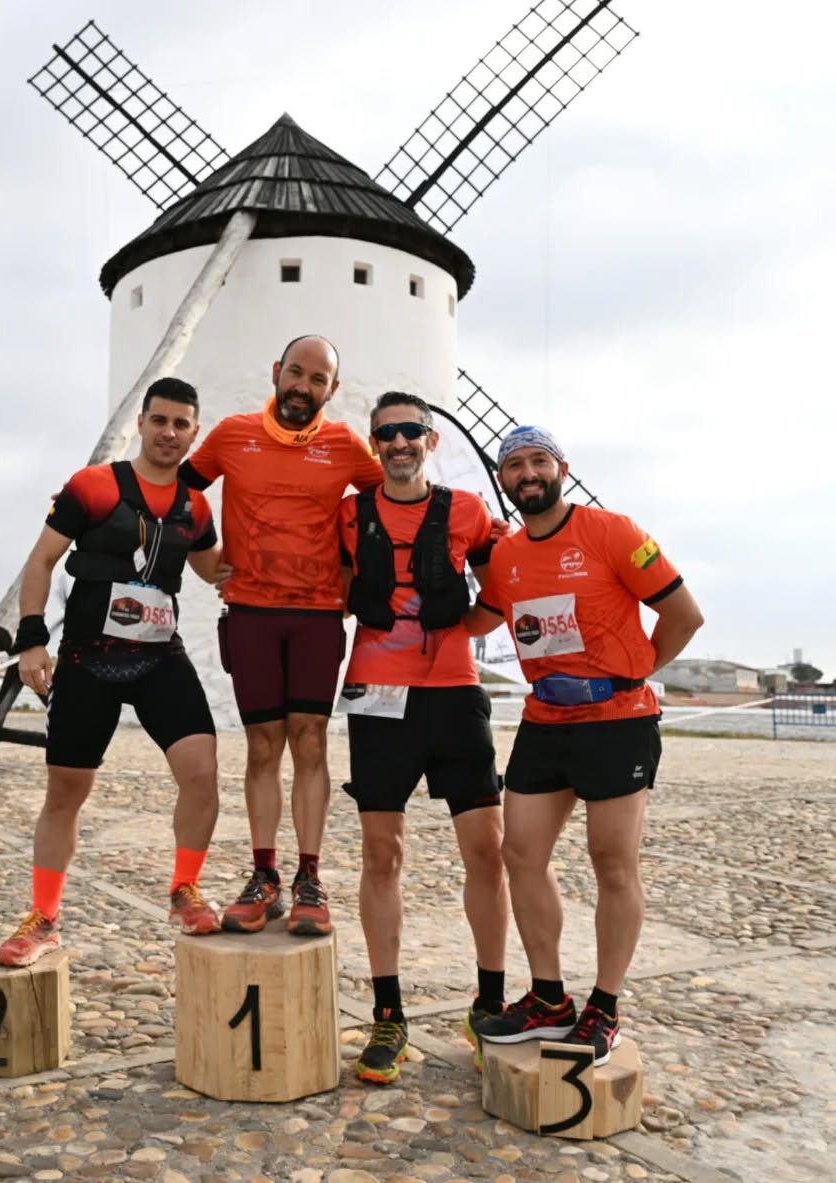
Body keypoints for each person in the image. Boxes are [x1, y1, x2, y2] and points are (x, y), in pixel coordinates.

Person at [465, 425, 703, 1066]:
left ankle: (605, 1005)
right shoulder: (507, 555)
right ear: (505, 480)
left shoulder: (613, 531)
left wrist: (634, 675)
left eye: (538, 460)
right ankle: (547, 998)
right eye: (514, 465)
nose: (527, 473)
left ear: (561, 468)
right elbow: (474, 620)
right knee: (520, 852)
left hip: (618, 721)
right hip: (546, 721)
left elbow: (686, 615)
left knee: (613, 863)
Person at [0, 377, 228, 967]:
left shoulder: (196, 506)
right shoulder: (93, 486)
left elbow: (216, 572)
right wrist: (31, 642)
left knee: (202, 772)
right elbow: (42, 560)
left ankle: (185, 890)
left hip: (158, 657)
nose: (169, 433)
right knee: (66, 795)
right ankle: (44, 918)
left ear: (193, 434)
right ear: (141, 424)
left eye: (181, 424)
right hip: (86, 660)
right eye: (160, 421)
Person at [180, 335, 382, 936]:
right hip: (251, 614)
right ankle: (264, 874)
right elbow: (176, 487)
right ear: (276, 372)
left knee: (311, 742)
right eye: (296, 373)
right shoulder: (233, 433)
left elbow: (388, 504)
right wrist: (206, 557)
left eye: (318, 380)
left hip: (319, 616)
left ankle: (309, 878)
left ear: (332, 390)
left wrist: (351, 574)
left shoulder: (346, 446)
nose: (303, 387)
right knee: (263, 747)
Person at [336, 392, 509, 1084]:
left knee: (487, 851)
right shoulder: (350, 514)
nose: (399, 442)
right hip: (377, 698)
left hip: (454, 695)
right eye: (387, 433)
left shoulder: (468, 511)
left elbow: (508, 575)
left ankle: (489, 1001)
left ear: (431, 440)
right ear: (374, 444)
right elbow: (334, 580)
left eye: (411, 431)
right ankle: (389, 1014)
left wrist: (471, 627)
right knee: (383, 853)